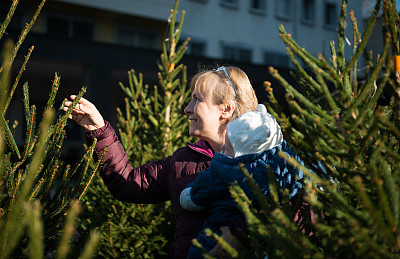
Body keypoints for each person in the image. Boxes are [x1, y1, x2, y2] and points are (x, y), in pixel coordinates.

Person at [63, 66, 259, 258]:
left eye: (196, 100)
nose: (187, 109)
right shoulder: (182, 162)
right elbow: (127, 182)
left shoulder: (266, 164)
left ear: (225, 109)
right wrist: (97, 128)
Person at [180, 104, 304, 258]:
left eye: (229, 147)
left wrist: (187, 196)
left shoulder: (225, 171)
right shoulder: (288, 168)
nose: (223, 150)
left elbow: (197, 194)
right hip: (270, 241)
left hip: (221, 232)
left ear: (242, 153)